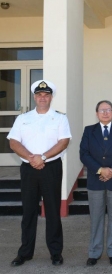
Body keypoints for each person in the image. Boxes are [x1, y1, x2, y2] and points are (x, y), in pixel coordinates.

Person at [7, 80, 71, 266]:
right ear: (35, 97)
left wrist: (42, 157)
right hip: (28, 168)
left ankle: (56, 253)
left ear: (51, 97)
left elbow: (63, 142)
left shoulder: (60, 118)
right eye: (39, 94)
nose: (43, 98)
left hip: (50, 167)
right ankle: (25, 252)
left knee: (52, 211)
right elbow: (13, 142)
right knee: (28, 211)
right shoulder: (23, 118)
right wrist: (31, 157)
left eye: (46, 95)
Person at [80, 100, 112, 266]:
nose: (105, 113)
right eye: (102, 110)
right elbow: (84, 153)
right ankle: (94, 252)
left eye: (108, 109)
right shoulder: (89, 130)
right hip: (96, 180)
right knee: (96, 218)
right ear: (96, 113)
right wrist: (100, 170)